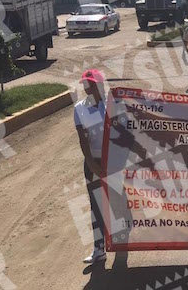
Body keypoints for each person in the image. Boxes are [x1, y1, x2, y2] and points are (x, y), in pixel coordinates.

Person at [74, 69, 108, 264]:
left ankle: (122, 241)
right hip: (92, 163)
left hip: (113, 162)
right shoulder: (79, 108)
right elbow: (83, 138)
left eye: (91, 83)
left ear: (99, 85)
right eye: (86, 84)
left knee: (118, 203)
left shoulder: (112, 106)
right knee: (96, 205)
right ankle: (99, 248)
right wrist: (91, 162)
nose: (88, 87)